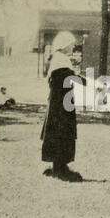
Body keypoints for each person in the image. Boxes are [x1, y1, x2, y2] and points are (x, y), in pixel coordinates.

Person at [40, 31, 87, 182]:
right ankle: (60, 168)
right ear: (65, 45)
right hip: (61, 104)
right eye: (72, 44)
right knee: (62, 132)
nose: (73, 47)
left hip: (59, 102)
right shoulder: (61, 60)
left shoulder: (59, 58)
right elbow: (72, 77)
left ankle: (58, 166)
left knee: (58, 133)